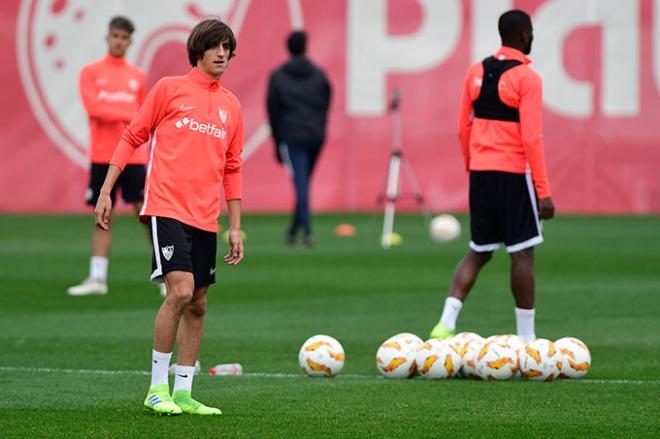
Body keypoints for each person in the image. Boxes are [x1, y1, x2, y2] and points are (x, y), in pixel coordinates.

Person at [94, 18, 244, 416]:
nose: (222, 53)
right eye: (215, 46)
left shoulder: (231, 105)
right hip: (166, 207)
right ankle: (155, 388)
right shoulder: (169, 89)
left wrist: (236, 225)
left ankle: (184, 392)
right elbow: (131, 136)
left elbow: (233, 167)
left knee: (198, 304)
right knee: (178, 291)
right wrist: (107, 190)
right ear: (198, 50)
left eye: (227, 47)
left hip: (206, 216)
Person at [429, 10, 555, 342]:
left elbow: (462, 128)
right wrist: (543, 191)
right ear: (525, 35)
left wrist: (474, 165)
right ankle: (527, 340)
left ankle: (445, 324)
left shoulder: (476, 71)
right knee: (523, 251)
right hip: (513, 174)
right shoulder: (528, 79)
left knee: (479, 250)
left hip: (482, 173)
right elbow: (532, 138)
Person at [68, 16, 154, 296]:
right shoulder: (90, 72)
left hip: (134, 156)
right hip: (103, 155)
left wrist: (120, 112)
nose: (118, 41)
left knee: (147, 214)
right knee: (102, 214)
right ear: (108, 38)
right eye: (115, 36)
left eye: (123, 37)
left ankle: (166, 273)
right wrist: (128, 113)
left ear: (130, 41)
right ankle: (97, 278)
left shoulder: (137, 76)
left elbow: (144, 117)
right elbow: (95, 109)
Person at [267, 31, 331, 247]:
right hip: (315, 136)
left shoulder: (278, 77)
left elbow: (272, 111)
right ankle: (293, 231)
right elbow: (326, 101)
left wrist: (277, 141)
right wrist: (320, 125)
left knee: (301, 184)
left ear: (288, 48)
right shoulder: (319, 74)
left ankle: (308, 232)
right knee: (302, 183)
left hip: (292, 136)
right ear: (305, 47)